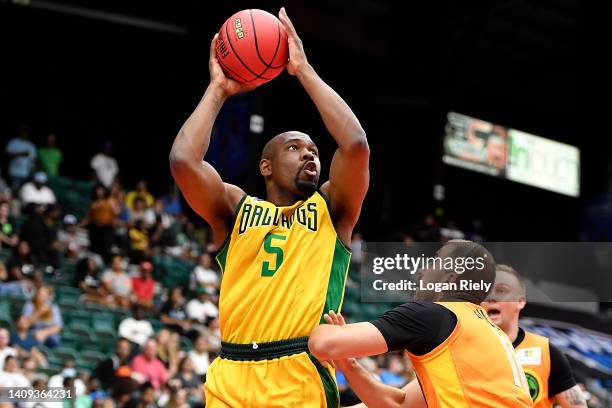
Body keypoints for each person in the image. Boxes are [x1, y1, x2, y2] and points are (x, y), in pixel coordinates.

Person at [169, 8, 369, 407]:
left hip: (298, 371)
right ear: (266, 166)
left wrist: (304, 71)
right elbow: (183, 161)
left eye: (313, 150)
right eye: (295, 148)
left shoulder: (333, 209)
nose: (310, 155)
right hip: (231, 374)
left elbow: (355, 145)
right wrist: (219, 90)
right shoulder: (235, 209)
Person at [309, 240, 533, 408]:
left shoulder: (434, 316)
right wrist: (349, 366)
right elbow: (399, 404)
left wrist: (309, 309)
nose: (423, 270)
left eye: (435, 260)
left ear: (450, 277)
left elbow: (321, 343)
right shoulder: (485, 334)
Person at [482, 264, 587, 407]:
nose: (491, 297)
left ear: (520, 302)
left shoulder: (546, 353)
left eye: (501, 290)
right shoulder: (459, 349)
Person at [83, 184, 119, 263]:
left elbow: (117, 212)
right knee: (94, 248)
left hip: (107, 228)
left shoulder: (110, 201)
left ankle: (105, 265)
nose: (99, 192)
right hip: (95, 228)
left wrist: (111, 204)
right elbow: (89, 216)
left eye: (101, 190)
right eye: (98, 190)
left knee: (106, 249)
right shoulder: (93, 202)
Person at [5, 125, 37, 193]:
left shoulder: (31, 145)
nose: (25, 133)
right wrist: (21, 154)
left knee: (25, 191)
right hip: (15, 172)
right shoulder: (13, 142)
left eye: (27, 132)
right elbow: (7, 155)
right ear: (21, 132)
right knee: (14, 191)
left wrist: (33, 173)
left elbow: (33, 160)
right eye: (24, 131)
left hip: (27, 173)